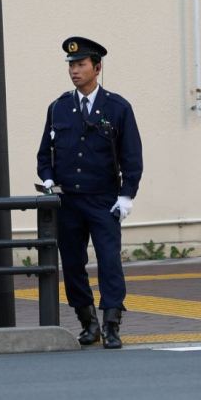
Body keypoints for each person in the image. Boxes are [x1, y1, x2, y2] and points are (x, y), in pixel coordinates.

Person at [36, 37, 143, 349]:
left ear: (97, 68)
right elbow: (45, 154)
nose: (75, 70)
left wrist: (127, 194)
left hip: (103, 198)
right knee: (72, 262)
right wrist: (47, 179)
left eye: (81, 64)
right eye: (71, 65)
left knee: (109, 260)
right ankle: (87, 321)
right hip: (68, 200)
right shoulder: (58, 108)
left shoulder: (117, 107)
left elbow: (132, 156)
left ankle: (112, 323)